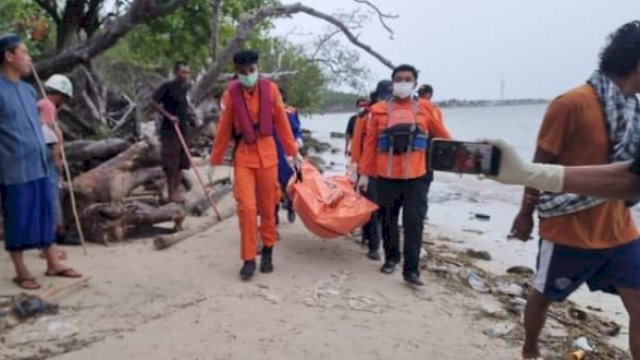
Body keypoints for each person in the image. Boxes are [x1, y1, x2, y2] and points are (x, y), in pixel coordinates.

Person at [499, 22, 640, 360]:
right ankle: (530, 347)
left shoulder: (633, 109)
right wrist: (524, 213)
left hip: (620, 230)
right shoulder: (571, 103)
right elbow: (538, 164)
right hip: (567, 230)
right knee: (542, 295)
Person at [209, 50, 301, 281]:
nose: (248, 75)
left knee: (269, 205)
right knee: (247, 209)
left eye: (251, 70)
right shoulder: (230, 95)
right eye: (243, 72)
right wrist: (214, 160)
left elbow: (281, 121)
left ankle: (268, 250)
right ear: (237, 72)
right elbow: (223, 128)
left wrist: (293, 152)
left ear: (257, 68)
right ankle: (248, 258)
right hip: (244, 156)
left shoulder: (271, 90)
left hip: (268, 153)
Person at [0, 33, 82, 290]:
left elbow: (34, 124)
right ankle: (21, 269)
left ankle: (52, 261)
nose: (29, 58)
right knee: (18, 214)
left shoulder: (28, 90)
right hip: (13, 165)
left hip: (39, 161)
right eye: (24, 53)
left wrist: (50, 132)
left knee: (46, 211)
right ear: (9, 56)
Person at [359, 64, 451, 286]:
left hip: (416, 177)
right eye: (398, 79)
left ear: (415, 83)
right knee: (388, 220)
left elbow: (444, 138)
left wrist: (463, 160)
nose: (402, 83)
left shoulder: (426, 109)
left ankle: (411, 270)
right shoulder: (379, 110)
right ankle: (391, 258)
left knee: (414, 222)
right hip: (386, 177)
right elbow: (370, 144)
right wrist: (363, 174)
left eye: (407, 79)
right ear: (392, 83)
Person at [350, 81, 391, 261]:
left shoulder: (398, 114)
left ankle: (376, 241)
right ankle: (374, 245)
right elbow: (358, 143)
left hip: (391, 171)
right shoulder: (365, 115)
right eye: (384, 95)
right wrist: (355, 168)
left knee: (386, 210)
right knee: (372, 208)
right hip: (369, 169)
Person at [37, 74, 74, 259]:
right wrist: (57, 157)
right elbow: (48, 133)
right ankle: (48, 247)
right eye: (65, 98)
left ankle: (47, 245)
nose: (65, 102)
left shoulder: (42, 104)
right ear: (60, 95)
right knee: (50, 199)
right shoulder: (47, 106)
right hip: (45, 158)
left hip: (38, 158)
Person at [151, 61, 194, 203]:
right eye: (183, 72)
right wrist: (168, 116)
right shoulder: (167, 87)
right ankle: (171, 194)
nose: (186, 75)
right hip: (170, 130)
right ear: (176, 72)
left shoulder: (185, 88)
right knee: (171, 163)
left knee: (182, 162)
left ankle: (176, 192)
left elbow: (184, 108)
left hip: (183, 129)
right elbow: (153, 102)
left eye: (188, 72)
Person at [275, 87, 303, 224]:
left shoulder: (292, 112)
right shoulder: (268, 112)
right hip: (273, 150)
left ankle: (291, 206)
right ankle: (273, 215)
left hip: (288, 153)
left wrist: (298, 140)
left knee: (289, 183)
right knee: (272, 185)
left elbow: (297, 129)